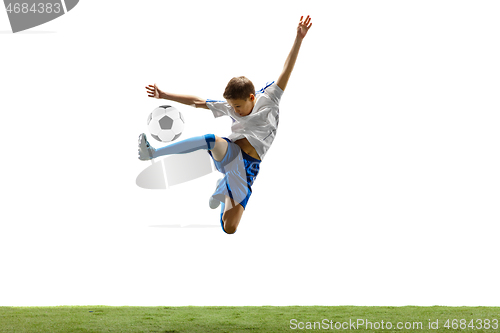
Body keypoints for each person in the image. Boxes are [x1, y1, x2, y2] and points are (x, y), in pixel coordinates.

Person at [138, 15, 313, 234]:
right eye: (232, 107)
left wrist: (299, 37)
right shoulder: (231, 106)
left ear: (251, 97)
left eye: (238, 107)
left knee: (229, 228)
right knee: (211, 140)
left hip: (248, 167)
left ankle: (224, 189)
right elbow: (197, 102)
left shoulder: (270, 98)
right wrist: (164, 95)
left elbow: (286, 69)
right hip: (230, 155)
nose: (234, 111)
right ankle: (152, 153)